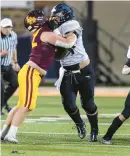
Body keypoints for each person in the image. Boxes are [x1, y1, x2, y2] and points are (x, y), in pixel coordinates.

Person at [0, 9, 78, 144]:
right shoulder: (45, 33)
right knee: (27, 105)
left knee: (21, 105)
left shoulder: (41, 33)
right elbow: (68, 43)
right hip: (32, 71)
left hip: (31, 71)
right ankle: (11, 134)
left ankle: (4, 132)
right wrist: (75, 33)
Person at [51, 4, 99, 142]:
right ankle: (80, 124)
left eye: (57, 15)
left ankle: (94, 130)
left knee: (88, 104)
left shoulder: (71, 24)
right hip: (67, 72)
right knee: (68, 105)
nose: (55, 18)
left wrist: (53, 42)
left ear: (65, 15)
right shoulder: (54, 29)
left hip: (84, 71)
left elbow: (70, 42)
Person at [0, 18, 20, 115]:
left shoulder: (13, 35)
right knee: (1, 86)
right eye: (5, 27)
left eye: (9, 27)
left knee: (15, 83)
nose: (7, 29)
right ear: (1, 27)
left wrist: (15, 62)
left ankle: (2, 103)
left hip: (7, 65)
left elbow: (13, 48)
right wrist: (1, 54)